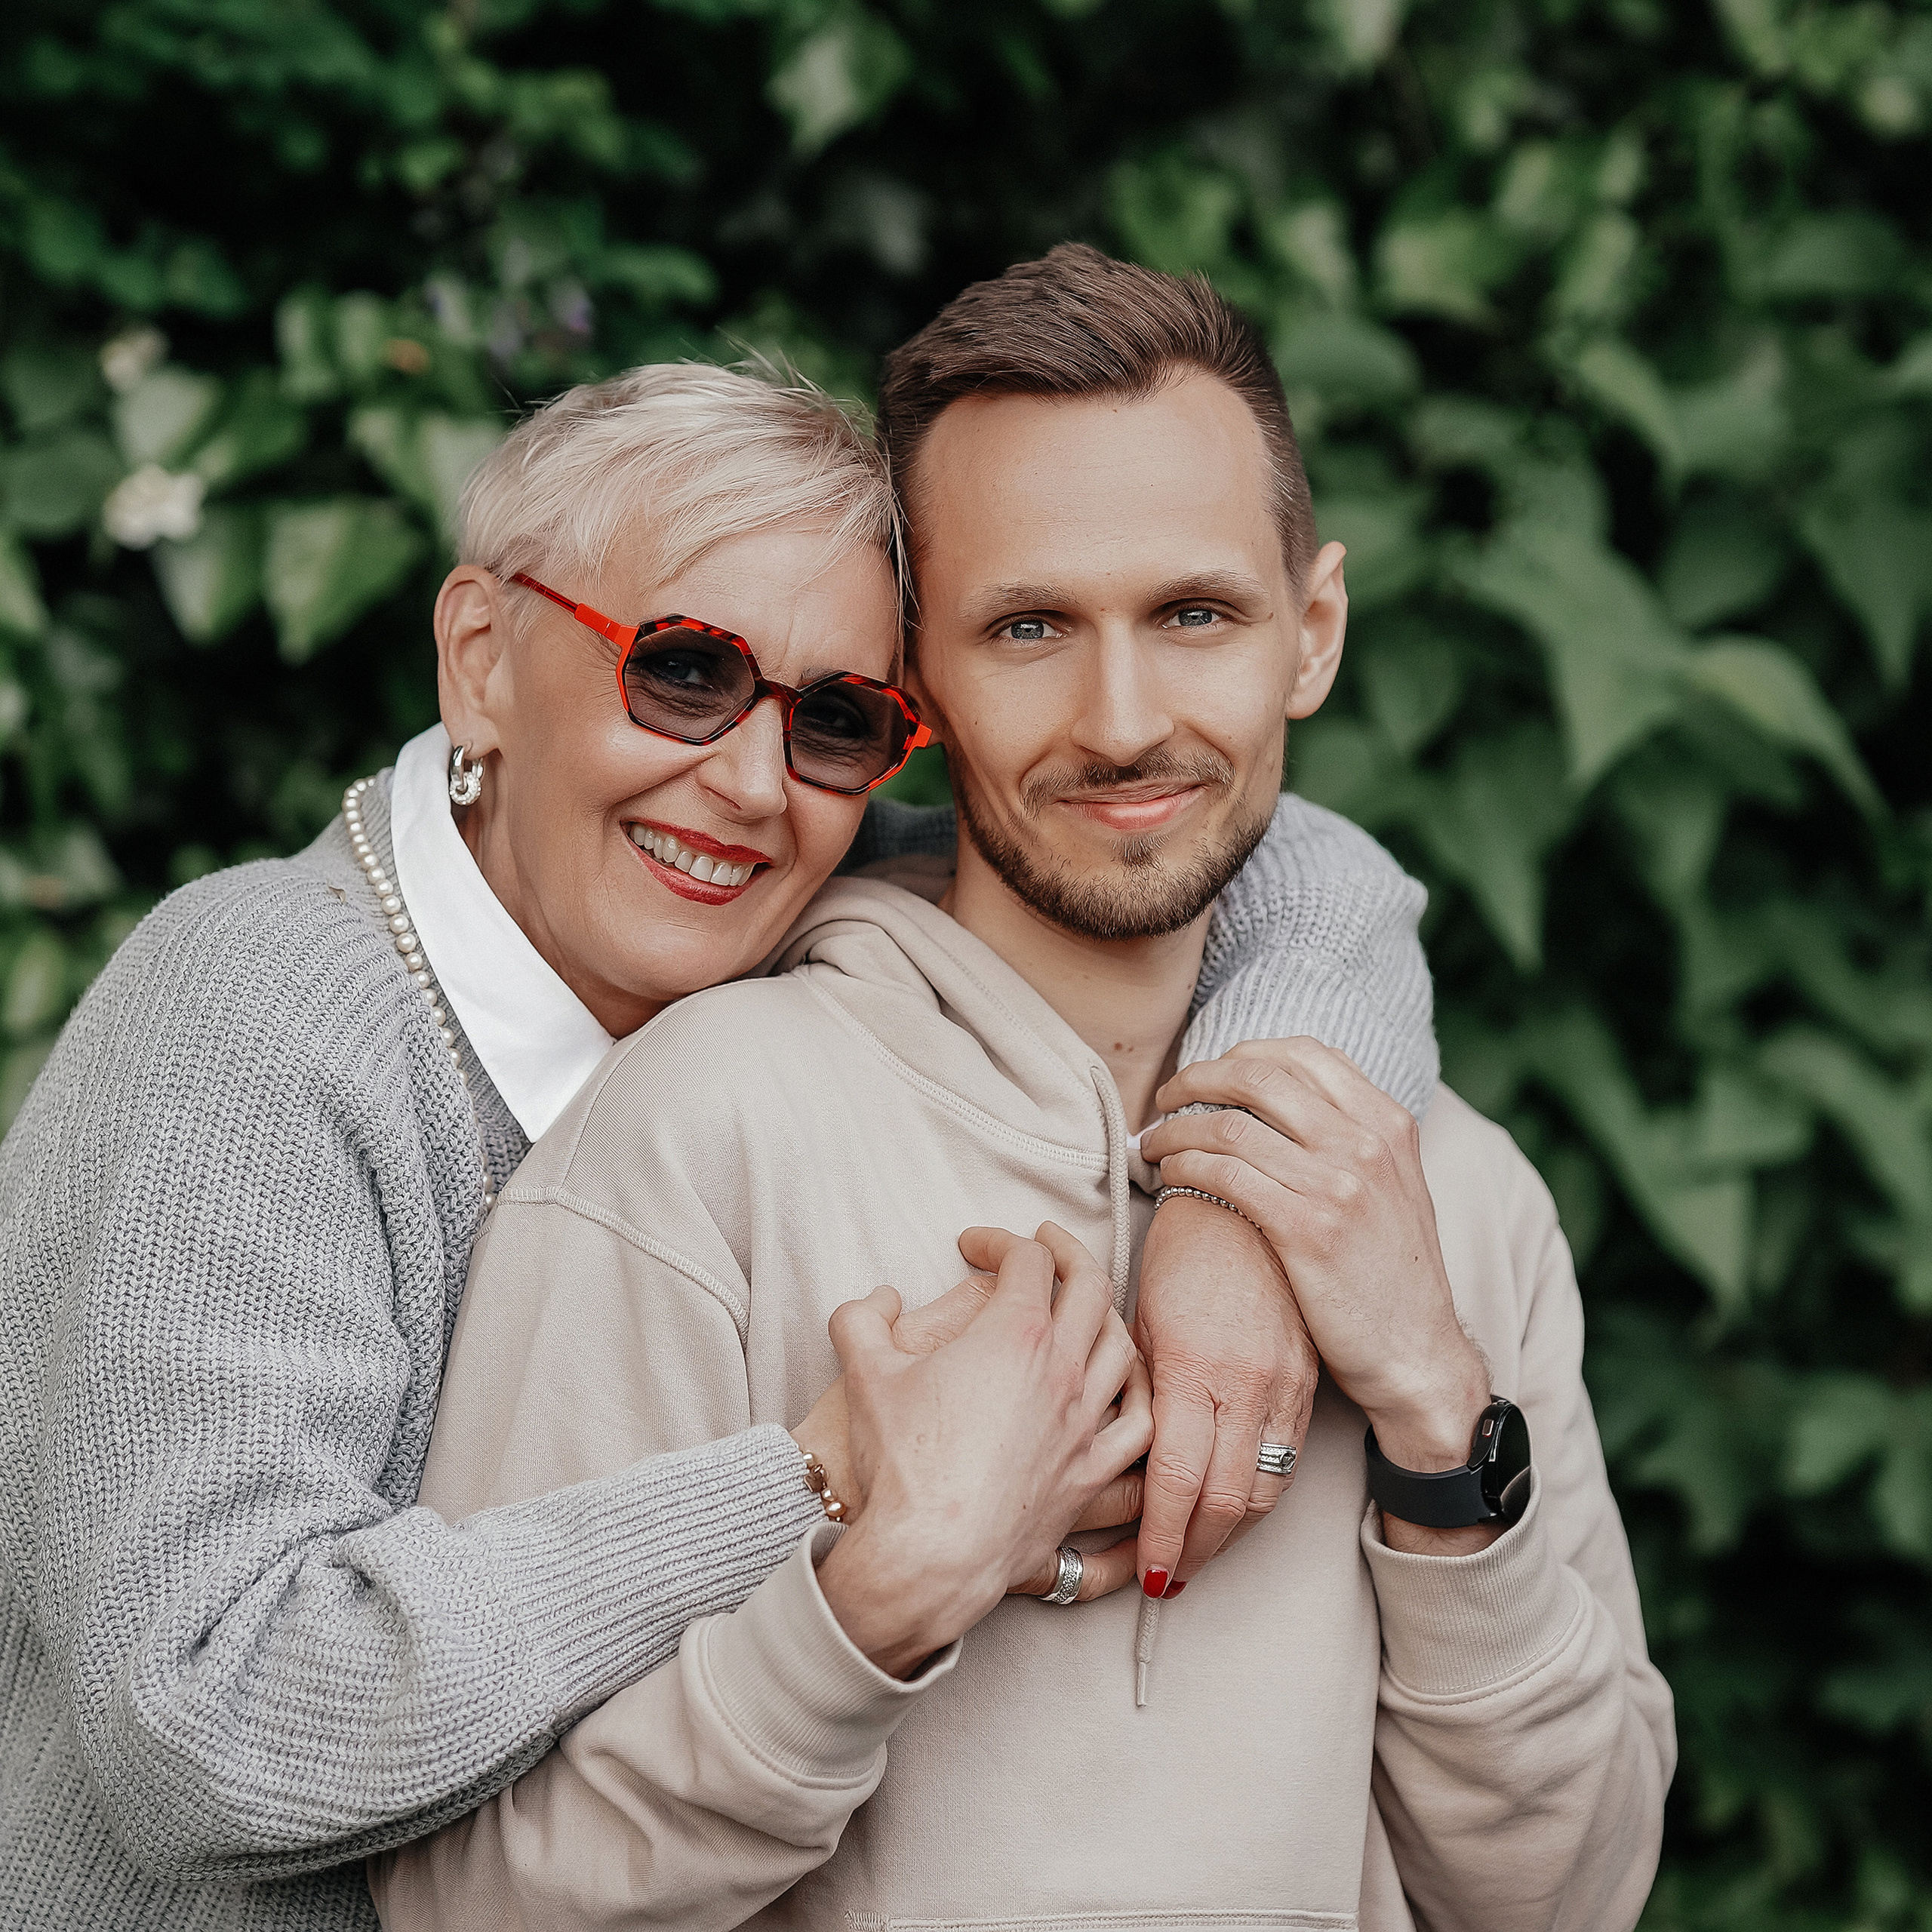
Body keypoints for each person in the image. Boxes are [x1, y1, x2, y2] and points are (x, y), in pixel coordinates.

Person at [0, 359, 1437, 1929]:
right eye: (681, 673)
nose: (752, 783)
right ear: (481, 658)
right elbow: (208, 1723)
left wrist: (1233, 1209)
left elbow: (1296, 865)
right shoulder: (257, 1013)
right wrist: (830, 1477)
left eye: (837, 717)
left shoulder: (801, 890)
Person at [368, 247, 1676, 1932]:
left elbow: (1573, 1898)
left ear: (1313, 632)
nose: (1121, 722)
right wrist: (876, 1602)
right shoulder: (705, 1130)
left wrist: (1436, 1419)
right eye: (1028, 628)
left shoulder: (1449, 1193)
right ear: (913, 680)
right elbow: (466, 1903)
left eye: (1194, 615)